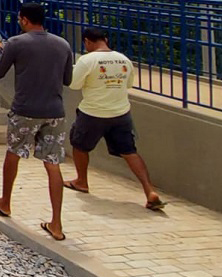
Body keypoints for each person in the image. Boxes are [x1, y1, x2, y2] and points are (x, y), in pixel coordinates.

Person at [0, 2, 73, 241]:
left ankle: (5, 202)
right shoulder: (63, 45)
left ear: (23, 19)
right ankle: (56, 223)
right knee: (52, 164)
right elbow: (67, 79)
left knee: (13, 154)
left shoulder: (15, 43)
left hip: (25, 110)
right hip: (55, 111)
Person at [65, 27, 165, 211]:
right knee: (129, 151)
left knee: (79, 146)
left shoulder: (87, 60)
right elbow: (128, 84)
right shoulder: (124, 59)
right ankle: (149, 191)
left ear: (87, 41)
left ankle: (81, 181)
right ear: (106, 39)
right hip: (121, 113)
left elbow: (74, 84)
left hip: (92, 113)